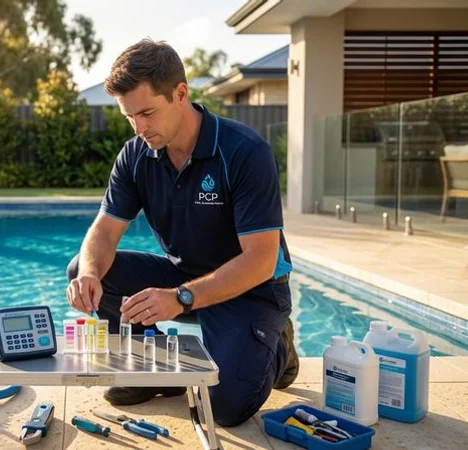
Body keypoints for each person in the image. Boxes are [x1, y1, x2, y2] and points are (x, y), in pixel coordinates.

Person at [65, 38, 298, 427]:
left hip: (251, 289)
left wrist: (181, 297)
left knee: (223, 409)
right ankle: (153, 371)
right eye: (129, 118)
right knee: (82, 269)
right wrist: (89, 272)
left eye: (147, 113)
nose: (139, 128)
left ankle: (278, 349)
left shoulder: (243, 152)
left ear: (180, 94)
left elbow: (261, 260)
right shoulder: (135, 155)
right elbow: (103, 232)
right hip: (183, 278)